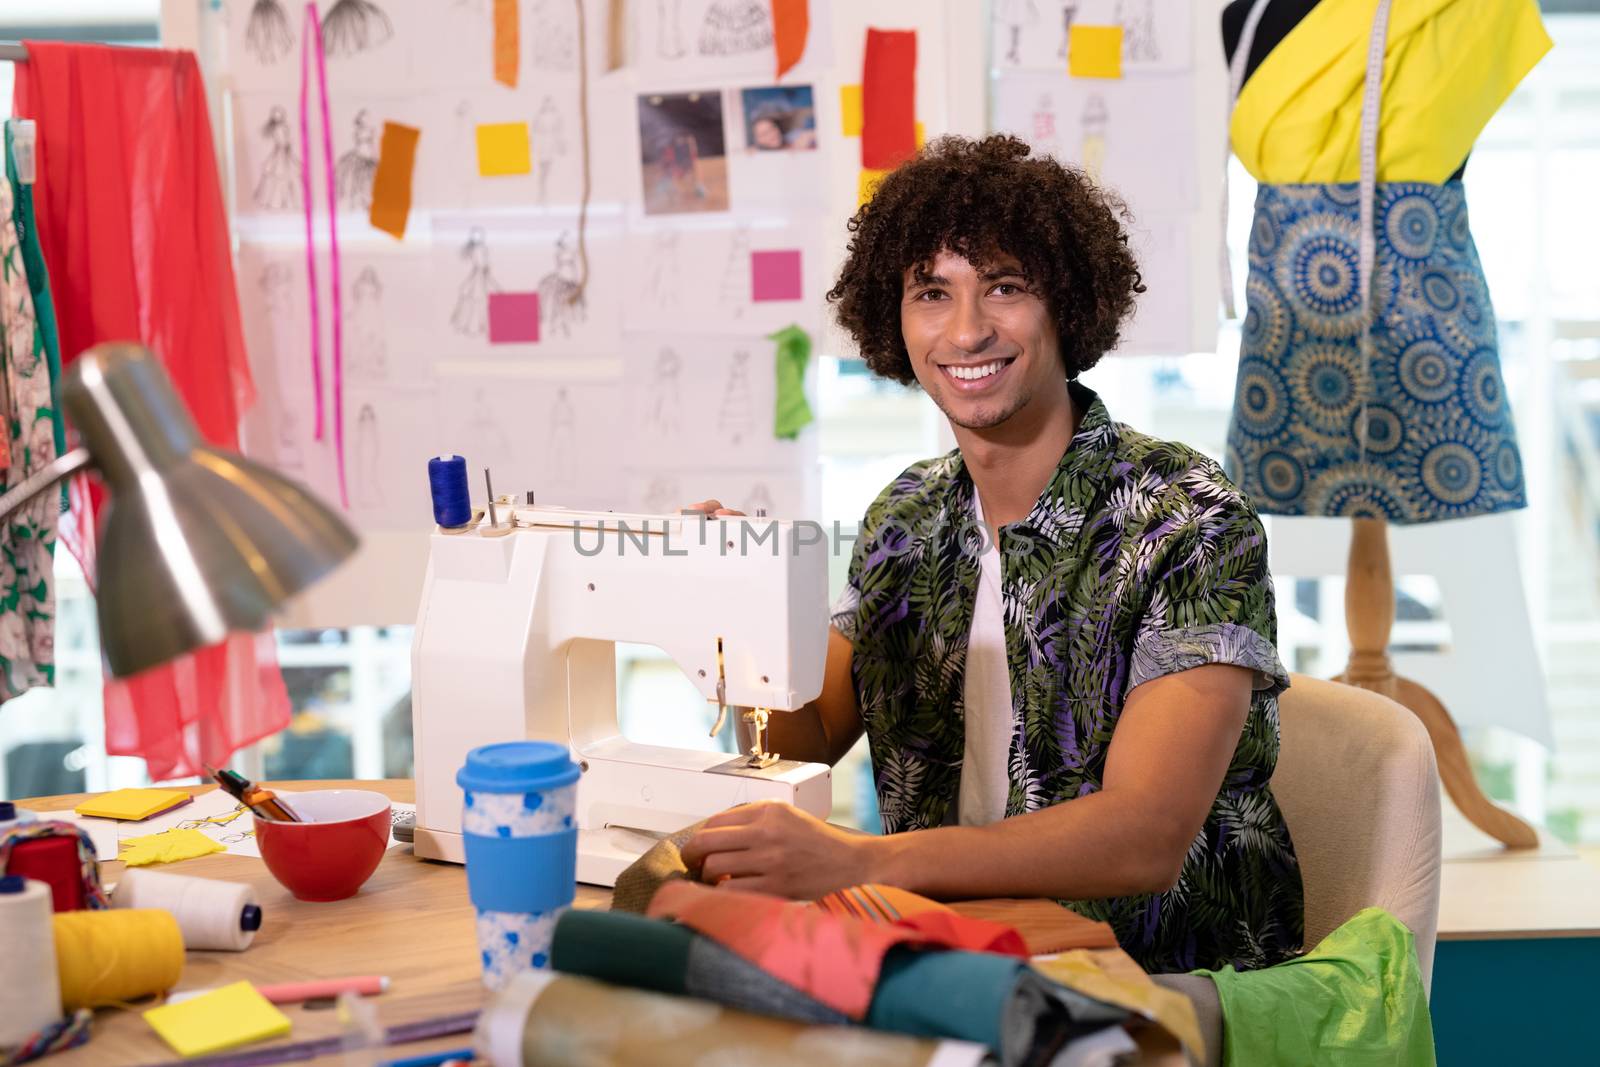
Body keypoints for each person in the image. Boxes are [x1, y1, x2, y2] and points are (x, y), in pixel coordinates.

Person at [683, 134, 1304, 975]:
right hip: (953, 954)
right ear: (892, 317)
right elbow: (814, 732)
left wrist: (862, 860)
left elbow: (1144, 838)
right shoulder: (907, 515)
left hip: (1159, 987)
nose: (967, 330)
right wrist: (736, 614)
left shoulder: (1189, 520)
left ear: (1069, 305)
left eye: (1005, 288)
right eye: (932, 292)